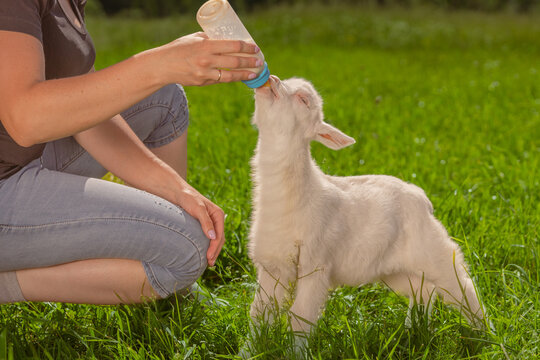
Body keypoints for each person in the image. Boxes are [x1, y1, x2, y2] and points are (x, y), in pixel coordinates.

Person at [0, 0, 261, 304]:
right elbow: (26, 119)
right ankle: (7, 285)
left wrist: (176, 189)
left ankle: (169, 278)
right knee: (190, 245)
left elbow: (87, 116)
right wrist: (159, 64)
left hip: (21, 158)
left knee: (163, 99)